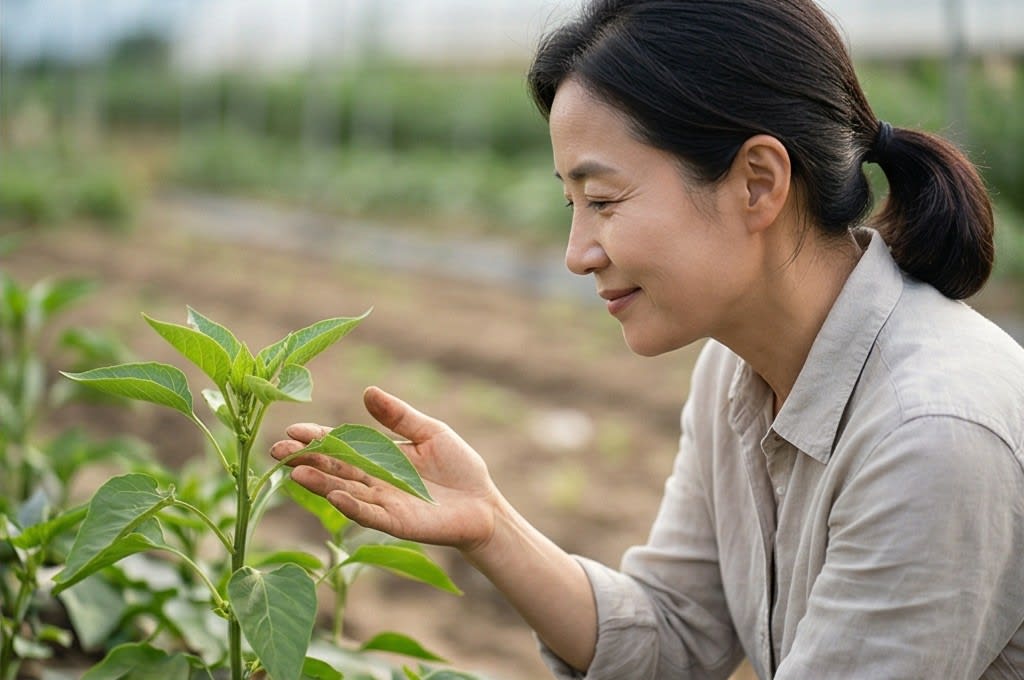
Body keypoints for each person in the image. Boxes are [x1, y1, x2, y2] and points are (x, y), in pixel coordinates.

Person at [271, 0, 1024, 677]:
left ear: (757, 183)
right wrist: (491, 526)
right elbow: (675, 635)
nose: (577, 252)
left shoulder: (930, 436)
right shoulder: (736, 373)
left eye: (602, 200)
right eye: (571, 202)